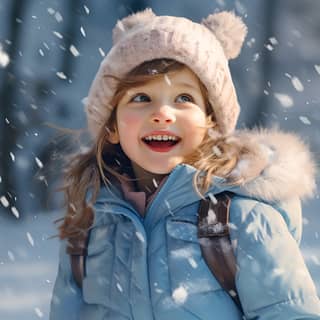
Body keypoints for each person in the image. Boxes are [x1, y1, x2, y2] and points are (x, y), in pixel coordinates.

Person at [49, 8, 320, 319]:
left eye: (184, 98)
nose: (163, 113)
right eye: (141, 98)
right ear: (112, 126)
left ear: (211, 123)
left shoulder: (243, 220)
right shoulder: (92, 223)